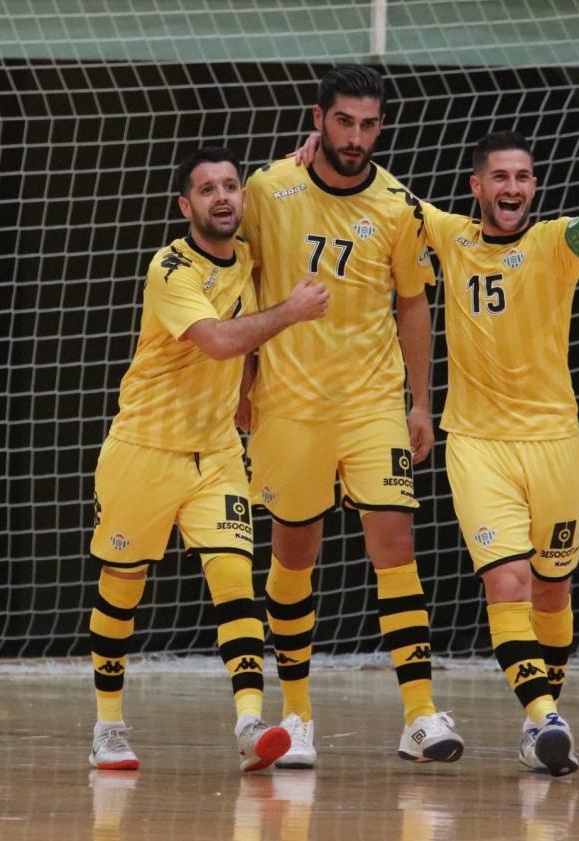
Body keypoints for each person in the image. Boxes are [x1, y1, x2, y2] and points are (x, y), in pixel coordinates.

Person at [422, 127, 579, 776]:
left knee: (553, 592)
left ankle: (541, 724)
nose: (511, 187)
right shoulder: (448, 235)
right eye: (499, 177)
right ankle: (543, 718)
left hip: (555, 444)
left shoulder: (556, 242)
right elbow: (375, 196)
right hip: (477, 444)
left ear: (534, 186)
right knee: (508, 580)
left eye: (522, 177)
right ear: (477, 187)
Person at [240, 64, 462, 768]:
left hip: (372, 405)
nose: (356, 137)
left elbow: (413, 303)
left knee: (395, 546)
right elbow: (237, 280)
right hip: (289, 405)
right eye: (344, 122)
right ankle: (296, 715)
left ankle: (421, 714)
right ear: (318, 117)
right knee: (292, 557)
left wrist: (422, 400)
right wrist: (241, 380)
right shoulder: (268, 189)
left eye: (369, 124)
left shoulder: (399, 206)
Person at [87, 146, 330, 772]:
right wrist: (293, 312)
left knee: (235, 585)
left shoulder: (248, 254)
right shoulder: (171, 269)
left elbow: (240, 341)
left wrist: (302, 157)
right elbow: (221, 341)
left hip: (218, 453)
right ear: (185, 205)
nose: (221, 197)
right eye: (207, 189)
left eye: (230, 186)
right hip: (145, 450)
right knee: (122, 590)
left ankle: (251, 723)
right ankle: (108, 726)